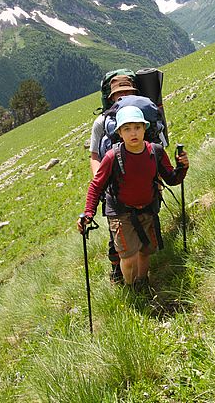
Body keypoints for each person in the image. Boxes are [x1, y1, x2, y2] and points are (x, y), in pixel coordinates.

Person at [78, 105, 189, 293]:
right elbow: (96, 185)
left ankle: (142, 283)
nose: (133, 133)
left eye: (137, 127)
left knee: (146, 252)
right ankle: (132, 289)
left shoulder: (156, 151)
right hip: (121, 213)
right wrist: (89, 213)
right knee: (128, 257)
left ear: (144, 128)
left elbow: (172, 179)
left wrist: (182, 167)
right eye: (127, 129)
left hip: (148, 209)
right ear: (119, 133)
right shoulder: (112, 157)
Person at [89, 73, 139, 284]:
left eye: (127, 92)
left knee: (144, 224)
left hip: (142, 183)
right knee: (116, 234)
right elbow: (94, 155)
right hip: (113, 190)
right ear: (110, 97)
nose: (123, 97)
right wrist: (100, 183)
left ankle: (139, 272)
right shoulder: (101, 122)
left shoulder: (141, 118)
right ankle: (117, 270)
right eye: (119, 94)